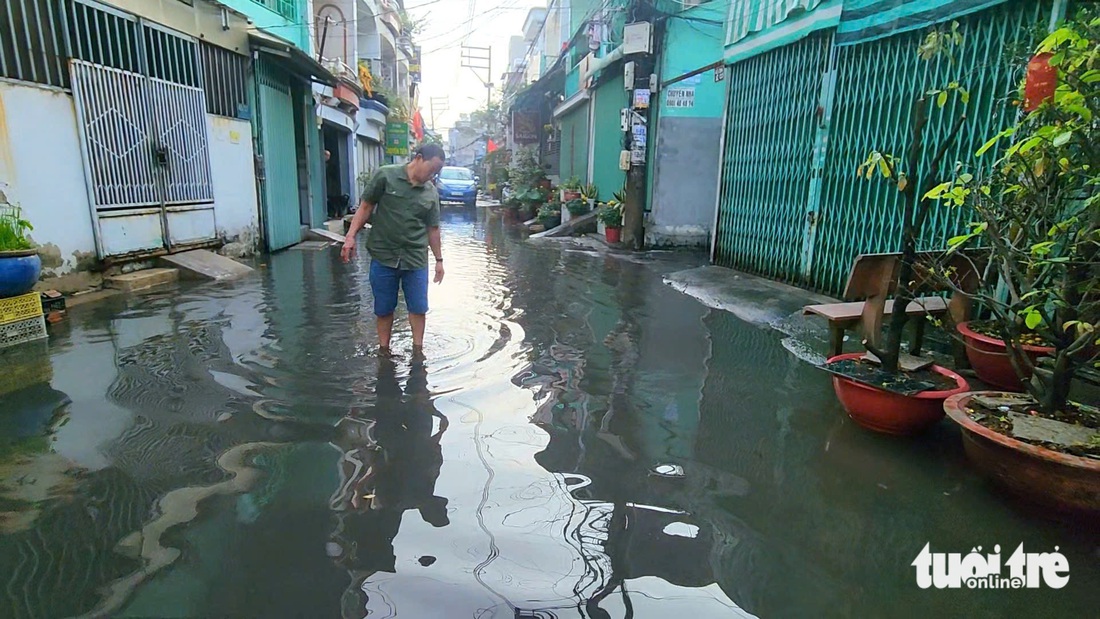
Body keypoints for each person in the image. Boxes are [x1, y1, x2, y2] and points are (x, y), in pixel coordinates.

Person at [342, 144, 446, 354]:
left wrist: (439, 260)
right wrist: (350, 236)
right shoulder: (386, 176)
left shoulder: (430, 193)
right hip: (384, 255)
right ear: (418, 158)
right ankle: (384, 350)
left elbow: (433, 229)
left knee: (418, 308)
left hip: (415, 258)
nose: (432, 175)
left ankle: (418, 351)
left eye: (436, 172)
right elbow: (366, 206)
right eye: (431, 169)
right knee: (384, 308)